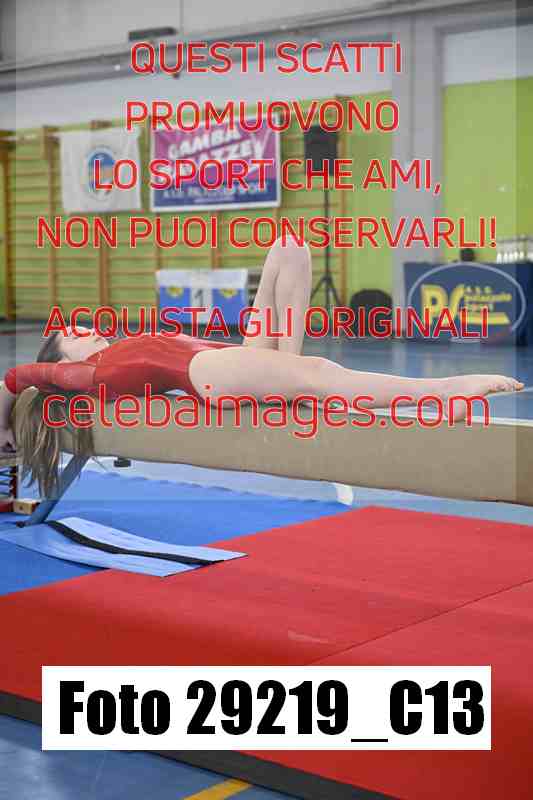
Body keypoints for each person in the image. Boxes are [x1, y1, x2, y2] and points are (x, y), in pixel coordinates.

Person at [0, 237, 523, 495]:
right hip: (208, 377)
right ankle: (445, 391)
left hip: (223, 359)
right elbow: (16, 380)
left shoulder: (113, 354)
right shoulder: (86, 376)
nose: (87, 330)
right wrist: (5, 422)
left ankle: (287, 376)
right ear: (59, 363)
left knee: (289, 249)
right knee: (321, 375)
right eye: (73, 336)